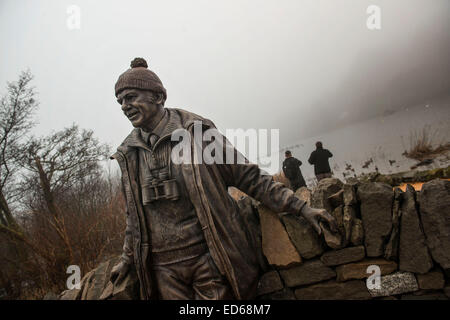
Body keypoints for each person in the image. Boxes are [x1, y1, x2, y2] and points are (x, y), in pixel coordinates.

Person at [109, 57, 337, 300]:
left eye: (131, 97)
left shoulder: (198, 133)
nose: (124, 106)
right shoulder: (129, 153)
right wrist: (127, 259)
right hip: (163, 270)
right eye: (120, 100)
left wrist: (301, 208)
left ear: (158, 97)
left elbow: (249, 178)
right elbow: (133, 216)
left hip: (209, 258)